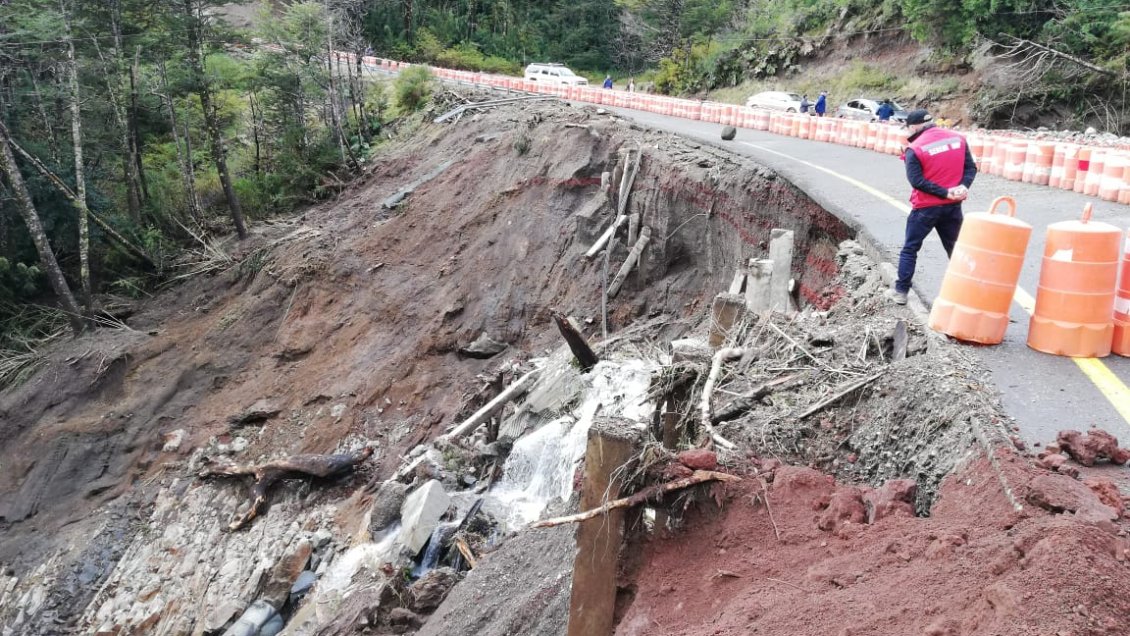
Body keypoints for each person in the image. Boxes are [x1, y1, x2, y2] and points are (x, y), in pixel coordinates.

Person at [887, 109, 977, 305]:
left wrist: (944, 192)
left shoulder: (915, 148)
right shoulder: (958, 139)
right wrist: (963, 186)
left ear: (914, 126)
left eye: (908, 128)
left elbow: (917, 181)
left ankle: (901, 291)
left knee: (910, 249)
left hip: (925, 208)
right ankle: (968, 295)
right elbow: (970, 168)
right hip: (953, 207)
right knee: (956, 249)